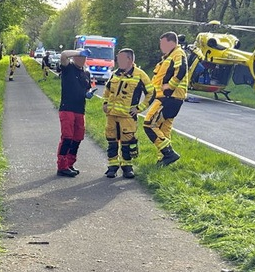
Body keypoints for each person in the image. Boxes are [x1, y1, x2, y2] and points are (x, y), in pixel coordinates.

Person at [102, 48, 155, 178]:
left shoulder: (140, 75)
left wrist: (139, 108)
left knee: (128, 143)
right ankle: (112, 167)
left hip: (128, 117)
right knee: (112, 142)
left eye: (121, 59)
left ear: (130, 60)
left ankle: (127, 167)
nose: (118, 61)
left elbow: (151, 93)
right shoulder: (115, 74)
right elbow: (107, 90)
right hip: (112, 115)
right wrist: (105, 103)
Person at [142, 31, 188, 166]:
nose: (160, 46)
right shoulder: (168, 57)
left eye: (162, 43)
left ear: (171, 42)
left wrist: (170, 87)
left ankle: (169, 154)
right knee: (163, 129)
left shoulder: (178, 53)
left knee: (149, 124)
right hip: (169, 98)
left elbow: (182, 70)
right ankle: (164, 159)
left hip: (168, 97)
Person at [56, 50, 92, 177]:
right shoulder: (68, 68)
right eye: (79, 57)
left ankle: (70, 163)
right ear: (75, 57)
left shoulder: (86, 73)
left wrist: (88, 93)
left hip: (80, 109)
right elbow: (64, 55)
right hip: (67, 109)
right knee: (67, 137)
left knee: (78, 138)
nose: (82, 60)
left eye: (84, 58)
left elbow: (87, 87)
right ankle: (62, 166)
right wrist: (78, 51)